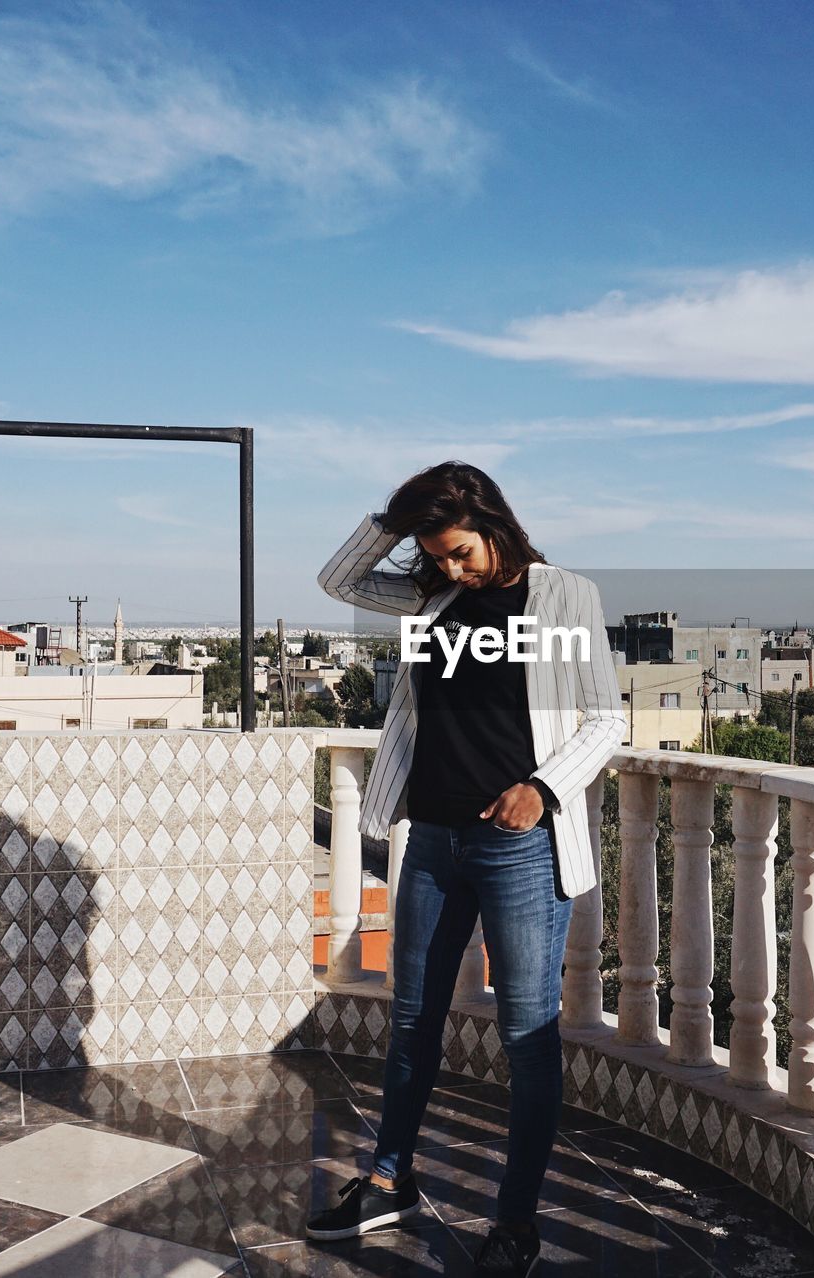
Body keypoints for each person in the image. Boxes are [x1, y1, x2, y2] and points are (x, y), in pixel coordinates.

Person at [306, 461, 625, 1276]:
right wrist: (398, 517)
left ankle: (515, 1223)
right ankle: (389, 1178)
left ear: (494, 525)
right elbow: (337, 577)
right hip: (433, 841)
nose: (451, 568)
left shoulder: (564, 597)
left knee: (526, 1034)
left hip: (519, 844)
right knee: (412, 1017)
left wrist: (543, 790)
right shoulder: (429, 597)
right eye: (436, 554)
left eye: (460, 552)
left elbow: (603, 717)